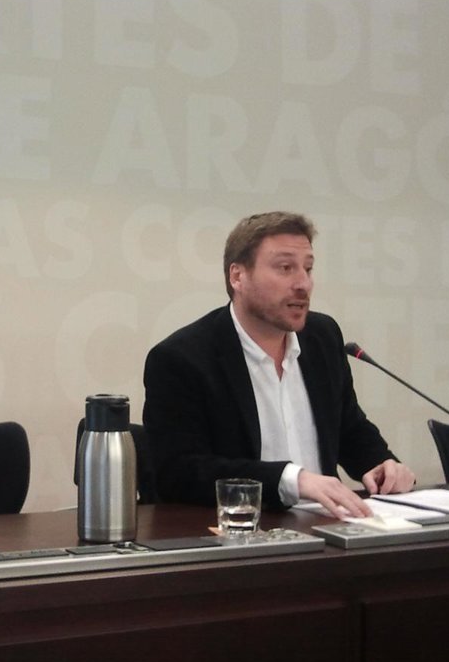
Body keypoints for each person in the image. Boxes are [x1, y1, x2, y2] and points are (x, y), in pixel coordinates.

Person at [142, 211, 415, 519]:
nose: (303, 284)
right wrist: (291, 480)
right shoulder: (182, 358)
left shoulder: (322, 337)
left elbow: (349, 429)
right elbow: (179, 473)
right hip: (240, 533)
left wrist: (382, 464)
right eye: (286, 268)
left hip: (328, 529)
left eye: (308, 269)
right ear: (237, 276)